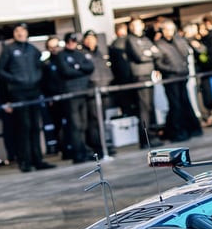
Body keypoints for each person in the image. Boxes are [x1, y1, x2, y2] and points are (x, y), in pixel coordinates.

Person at [0, 23, 54, 172]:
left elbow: (40, 67)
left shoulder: (32, 49)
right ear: (14, 33)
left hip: (33, 93)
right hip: (18, 94)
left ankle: (38, 160)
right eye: (17, 31)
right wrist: (15, 79)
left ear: (27, 33)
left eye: (22, 31)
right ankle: (25, 162)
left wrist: (37, 79)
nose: (20, 33)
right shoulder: (8, 49)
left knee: (35, 127)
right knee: (24, 128)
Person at [52, 32, 97, 163]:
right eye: (69, 41)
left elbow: (90, 67)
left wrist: (77, 67)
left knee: (83, 123)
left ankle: (84, 150)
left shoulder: (79, 54)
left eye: (74, 41)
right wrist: (81, 71)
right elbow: (66, 72)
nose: (72, 43)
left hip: (83, 92)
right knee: (74, 124)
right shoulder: (61, 55)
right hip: (71, 94)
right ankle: (77, 152)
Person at [153, 19, 201, 142]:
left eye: (171, 29)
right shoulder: (159, 44)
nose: (169, 32)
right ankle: (176, 131)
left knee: (185, 102)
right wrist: (172, 69)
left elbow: (185, 53)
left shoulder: (178, 41)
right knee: (175, 105)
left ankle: (191, 128)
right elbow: (158, 63)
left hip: (182, 76)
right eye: (166, 29)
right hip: (170, 78)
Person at [123, 16, 164, 148]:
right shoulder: (130, 40)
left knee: (150, 107)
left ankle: (152, 135)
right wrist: (149, 53)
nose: (136, 28)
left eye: (138, 25)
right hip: (140, 77)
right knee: (144, 109)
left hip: (150, 75)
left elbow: (158, 53)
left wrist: (149, 53)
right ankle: (146, 138)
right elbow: (139, 56)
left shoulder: (145, 39)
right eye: (133, 25)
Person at [82, 30, 114, 157]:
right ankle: (98, 147)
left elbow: (105, 70)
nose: (91, 41)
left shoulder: (99, 52)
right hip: (92, 92)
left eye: (93, 38)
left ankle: (104, 144)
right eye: (88, 39)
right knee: (95, 121)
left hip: (104, 90)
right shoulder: (82, 54)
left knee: (103, 120)